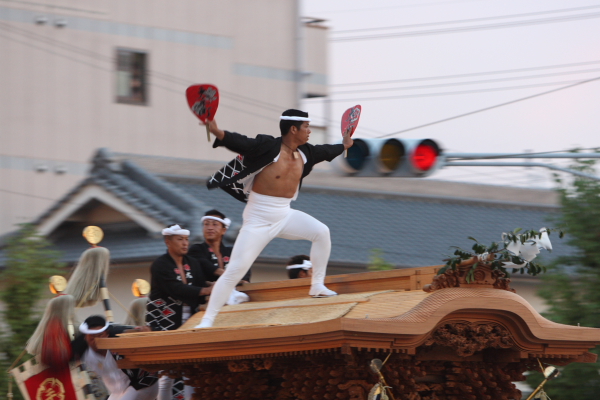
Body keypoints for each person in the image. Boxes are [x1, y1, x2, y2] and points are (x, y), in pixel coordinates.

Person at [195, 109, 353, 328]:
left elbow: (326, 151)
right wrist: (218, 132)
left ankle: (317, 286)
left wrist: (344, 145)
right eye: (306, 126)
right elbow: (243, 143)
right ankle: (208, 319)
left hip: (285, 213)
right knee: (235, 270)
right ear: (293, 129)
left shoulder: (306, 152)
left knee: (321, 232)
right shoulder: (268, 146)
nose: (309, 131)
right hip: (258, 218)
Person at [146, 224, 212, 400]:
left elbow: (200, 282)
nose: (185, 243)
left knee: (190, 369)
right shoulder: (160, 265)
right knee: (167, 371)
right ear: (168, 241)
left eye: (186, 239)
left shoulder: (192, 262)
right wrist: (205, 290)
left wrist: (214, 286)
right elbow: (175, 288)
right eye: (180, 239)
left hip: (190, 321)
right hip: (164, 320)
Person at [71, 315, 158, 400]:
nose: (96, 340)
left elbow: (150, 333)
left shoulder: (119, 338)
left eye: (100, 335)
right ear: (85, 337)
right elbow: (61, 358)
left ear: (107, 333)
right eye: (92, 337)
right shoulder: (81, 350)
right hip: (117, 392)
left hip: (142, 384)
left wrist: (148, 331)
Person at [188, 209, 251, 283]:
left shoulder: (232, 252)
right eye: (206, 224)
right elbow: (207, 266)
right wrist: (234, 279)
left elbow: (245, 271)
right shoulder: (196, 249)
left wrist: (243, 281)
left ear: (223, 230)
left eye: (215, 224)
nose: (210, 228)